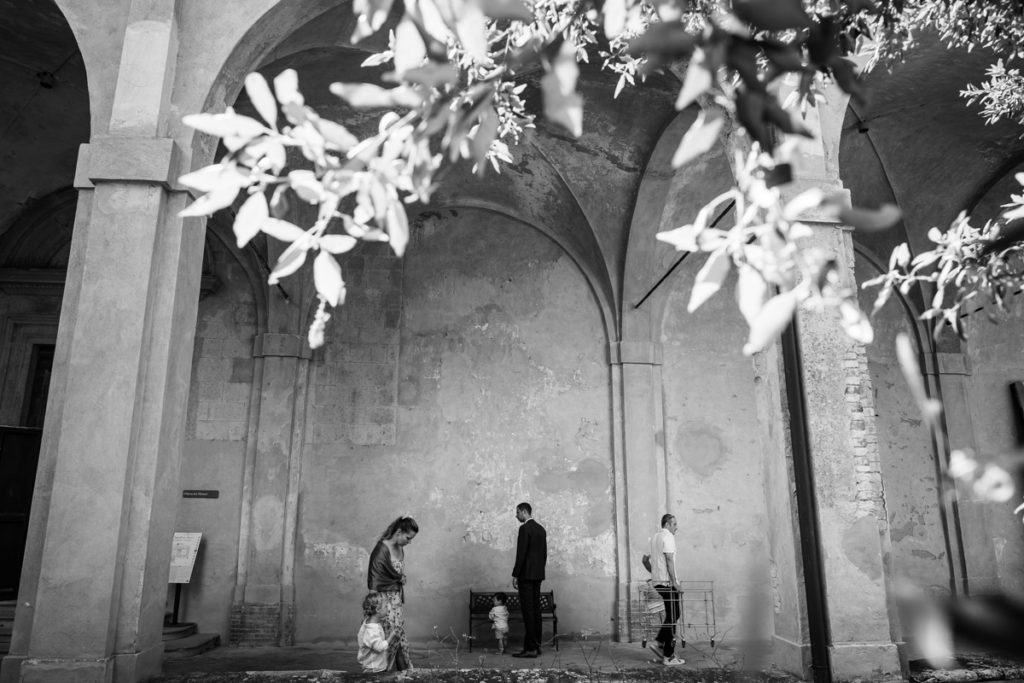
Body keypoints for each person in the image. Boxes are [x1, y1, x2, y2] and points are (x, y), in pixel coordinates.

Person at [367, 515, 418, 671]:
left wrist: (401, 578)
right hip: (382, 600)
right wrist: (373, 610)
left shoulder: (400, 548)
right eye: (408, 538)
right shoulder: (381, 549)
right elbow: (374, 580)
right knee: (389, 635)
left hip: (395, 600)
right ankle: (382, 670)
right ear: (399, 532)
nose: (409, 542)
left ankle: (403, 669)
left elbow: (396, 572)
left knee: (398, 634)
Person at [511, 502, 547, 658]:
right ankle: (537, 645)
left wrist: (515, 574)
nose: (516, 515)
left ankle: (530, 648)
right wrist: (539, 571)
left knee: (528, 612)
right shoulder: (541, 529)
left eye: (517, 512)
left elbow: (521, 554)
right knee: (536, 610)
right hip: (538, 575)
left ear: (524, 512)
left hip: (526, 576)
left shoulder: (524, 529)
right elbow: (544, 555)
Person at [649, 513, 685, 666]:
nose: (676, 527)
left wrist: (653, 573)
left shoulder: (655, 537)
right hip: (667, 583)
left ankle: (660, 642)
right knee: (673, 615)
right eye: (674, 524)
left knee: (673, 614)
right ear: (668, 524)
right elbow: (669, 559)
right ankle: (668, 655)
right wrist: (675, 583)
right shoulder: (668, 536)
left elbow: (648, 560)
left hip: (658, 582)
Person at [357, 592, 395, 673]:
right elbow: (379, 647)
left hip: (374, 665)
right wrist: (391, 636)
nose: (388, 608)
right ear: (378, 610)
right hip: (374, 668)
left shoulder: (370, 621)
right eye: (385, 606)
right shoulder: (371, 630)